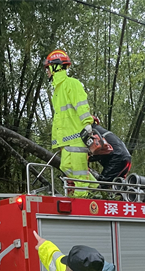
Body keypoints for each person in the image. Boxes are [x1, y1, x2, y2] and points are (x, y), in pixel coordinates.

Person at [43, 49, 97, 197]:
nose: (47, 71)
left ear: (57, 66)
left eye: (48, 67)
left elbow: (81, 105)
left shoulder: (72, 84)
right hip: (67, 139)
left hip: (77, 136)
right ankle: (96, 190)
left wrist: (87, 124)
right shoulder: (57, 91)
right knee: (65, 166)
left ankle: (82, 201)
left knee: (79, 173)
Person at [87, 116, 132, 183]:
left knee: (103, 184)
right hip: (124, 158)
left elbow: (92, 151)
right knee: (117, 187)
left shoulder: (91, 132)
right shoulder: (99, 130)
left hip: (117, 158)